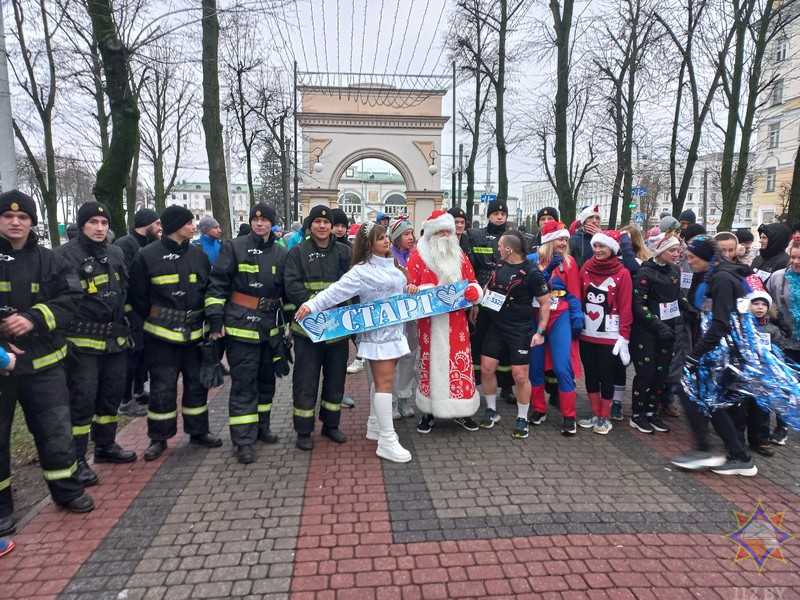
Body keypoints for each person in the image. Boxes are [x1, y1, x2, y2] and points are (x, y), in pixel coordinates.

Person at [0, 190, 94, 538]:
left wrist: (33, 318)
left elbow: (71, 298)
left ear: (32, 222)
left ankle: (67, 490)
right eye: (8, 216)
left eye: (23, 217)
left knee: (56, 431)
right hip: (2, 366)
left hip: (44, 363)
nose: (15, 222)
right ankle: (2, 510)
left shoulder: (51, 260)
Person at [295, 222, 415, 463]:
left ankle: (374, 425)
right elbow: (335, 291)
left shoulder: (394, 264)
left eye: (386, 237)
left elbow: (399, 292)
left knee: (383, 382)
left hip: (395, 332)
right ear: (368, 243)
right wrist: (311, 305)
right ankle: (387, 440)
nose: (386, 241)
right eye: (380, 238)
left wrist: (410, 288)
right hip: (378, 335)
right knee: (385, 384)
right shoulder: (360, 271)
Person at [129, 205, 223, 461]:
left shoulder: (199, 256)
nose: (194, 226)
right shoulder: (147, 256)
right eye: (189, 222)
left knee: (197, 386)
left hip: (195, 336)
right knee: (162, 388)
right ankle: (159, 438)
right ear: (175, 226)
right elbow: (137, 296)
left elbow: (208, 291)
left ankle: (198, 431)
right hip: (161, 338)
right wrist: (158, 319)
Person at [54, 202, 137, 486]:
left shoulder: (115, 253)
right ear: (82, 225)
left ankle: (105, 445)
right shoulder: (63, 256)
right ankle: (76, 459)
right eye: (93, 222)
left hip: (114, 340)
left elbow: (123, 292)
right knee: (82, 401)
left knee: (110, 397)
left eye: (104, 223)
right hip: (81, 344)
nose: (99, 228)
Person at [205, 203, 288, 464]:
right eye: (255, 219)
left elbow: (287, 290)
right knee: (244, 385)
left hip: (270, 329)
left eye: (264, 220)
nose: (259, 223)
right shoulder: (234, 247)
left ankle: (262, 427)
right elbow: (217, 285)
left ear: (272, 223)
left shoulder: (281, 252)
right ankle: (243, 440)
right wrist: (215, 320)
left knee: (267, 382)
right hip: (241, 328)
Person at [670, 236, 758, 475]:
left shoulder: (722, 278)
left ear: (706, 257)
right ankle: (735, 455)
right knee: (710, 400)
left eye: (692, 257)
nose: (689, 261)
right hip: (723, 349)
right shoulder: (719, 274)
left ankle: (710, 450)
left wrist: (694, 355)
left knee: (688, 388)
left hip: (725, 352)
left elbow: (720, 324)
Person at [407, 210, 483, 433]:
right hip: (430, 324)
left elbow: (472, 280)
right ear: (431, 234)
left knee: (458, 363)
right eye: (440, 231)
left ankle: (462, 411)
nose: (445, 235)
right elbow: (409, 288)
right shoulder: (417, 258)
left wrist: (474, 291)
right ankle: (429, 412)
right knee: (430, 364)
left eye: (447, 231)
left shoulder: (460, 256)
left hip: (456, 323)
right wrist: (422, 291)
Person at [285, 205, 352, 450]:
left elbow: (353, 285)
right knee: (306, 381)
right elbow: (291, 285)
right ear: (310, 225)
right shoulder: (297, 252)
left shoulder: (345, 252)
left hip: (337, 329)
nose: (322, 226)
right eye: (317, 222)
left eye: (326, 222)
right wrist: (316, 303)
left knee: (336, 380)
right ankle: (303, 430)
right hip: (308, 331)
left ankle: (331, 425)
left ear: (332, 226)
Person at [479, 230, 550, 439]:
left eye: (500, 246)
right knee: (486, 368)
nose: (498, 249)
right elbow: (489, 288)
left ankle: (522, 418)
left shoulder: (532, 272)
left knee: (520, 376)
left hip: (520, 330)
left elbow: (545, 304)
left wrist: (540, 331)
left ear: (509, 250)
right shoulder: (500, 265)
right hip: (496, 327)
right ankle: (491, 410)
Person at [527, 221, 584, 435]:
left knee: (562, 366)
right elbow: (530, 288)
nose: (564, 242)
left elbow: (574, 292)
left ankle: (569, 416)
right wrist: (547, 270)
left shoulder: (569, 262)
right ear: (549, 241)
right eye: (561, 238)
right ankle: (539, 409)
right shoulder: (532, 260)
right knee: (535, 366)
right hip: (536, 316)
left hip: (560, 315)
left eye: (566, 239)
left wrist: (576, 316)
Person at [578, 230, 633, 434]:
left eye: (602, 246)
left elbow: (626, 306)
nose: (597, 250)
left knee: (606, 375)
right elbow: (579, 298)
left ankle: (605, 416)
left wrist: (624, 336)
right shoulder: (585, 268)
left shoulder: (623, 273)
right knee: (591, 374)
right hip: (587, 333)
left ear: (612, 248)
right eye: (595, 246)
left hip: (610, 336)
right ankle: (595, 413)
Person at [629, 233, 684, 434]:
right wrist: (658, 325)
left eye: (678, 250)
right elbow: (638, 304)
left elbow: (676, 298)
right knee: (647, 373)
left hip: (667, 331)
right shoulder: (645, 273)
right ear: (660, 251)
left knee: (661, 374)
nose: (676, 254)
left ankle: (652, 412)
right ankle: (637, 414)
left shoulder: (675, 270)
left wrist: (689, 309)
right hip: (645, 332)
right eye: (672, 250)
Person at [465, 199, 515, 405]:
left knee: (506, 345)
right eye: (495, 213)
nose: (499, 217)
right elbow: (472, 267)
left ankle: (506, 386)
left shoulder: (514, 238)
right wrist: (475, 301)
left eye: (503, 214)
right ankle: (475, 385)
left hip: (506, 299)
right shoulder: (475, 236)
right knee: (478, 341)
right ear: (488, 216)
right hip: (483, 298)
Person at [115, 208, 162, 417]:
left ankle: (139, 391)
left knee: (143, 353)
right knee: (132, 355)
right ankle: (125, 401)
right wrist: (128, 312)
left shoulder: (146, 244)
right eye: (157, 223)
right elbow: (125, 280)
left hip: (143, 310)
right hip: (130, 312)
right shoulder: (125, 244)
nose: (160, 228)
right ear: (146, 224)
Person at [731, 291, 782, 457]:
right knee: (739, 411)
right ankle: (736, 442)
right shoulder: (740, 326)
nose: (760, 308)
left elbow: (778, 351)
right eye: (756, 304)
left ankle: (760, 440)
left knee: (761, 410)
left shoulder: (773, 330)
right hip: (742, 376)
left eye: (763, 304)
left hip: (763, 377)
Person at [766, 239, 800, 445]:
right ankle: (781, 426)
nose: (795, 262)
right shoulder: (778, 277)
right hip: (785, 341)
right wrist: (776, 322)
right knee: (784, 383)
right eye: (793, 257)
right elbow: (767, 303)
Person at [388, 217, 417, 420]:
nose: (411, 237)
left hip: (413, 315)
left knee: (409, 356)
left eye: (412, 233)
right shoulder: (388, 258)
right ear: (397, 237)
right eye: (406, 234)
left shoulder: (416, 256)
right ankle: (390, 400)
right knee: (392, 359)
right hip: (394, 315)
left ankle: (404, 398)